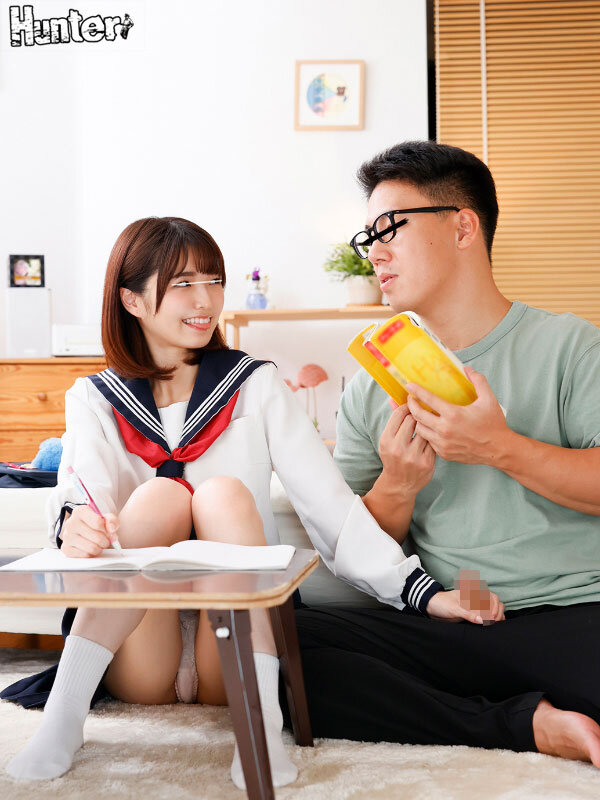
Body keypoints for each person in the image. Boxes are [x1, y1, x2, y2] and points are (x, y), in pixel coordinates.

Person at [2, 216, 491, 786]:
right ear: (132, 300)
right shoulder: (93, 397)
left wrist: (421, 592)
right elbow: (80, 491)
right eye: (183, 284)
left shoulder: (255, 384)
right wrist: (75, 525)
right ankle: (63, 721)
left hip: (231, 654)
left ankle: (258, 727)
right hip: (139, 653)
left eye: (214, 281)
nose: (205, 300)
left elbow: (328, 504)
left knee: (224, 495)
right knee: (159, 496)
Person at [292, 140, 600, 767]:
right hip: (453, 623)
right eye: (368, 237)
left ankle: (481, 711)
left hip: (574, 614)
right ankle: (525, 725)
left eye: (390, 228)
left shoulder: (570, 346)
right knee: (275, 650)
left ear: (463, 227)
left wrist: (500, 448)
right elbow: (357, 549)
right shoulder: (370, 389)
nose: (374, 252)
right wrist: (397, 487)